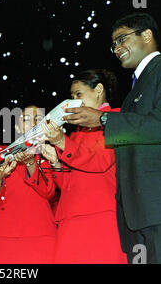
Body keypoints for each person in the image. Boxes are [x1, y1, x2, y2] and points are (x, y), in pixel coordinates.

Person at [63, 13, 161, 264]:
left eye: (122, 39)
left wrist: (103, 119)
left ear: (147, 35)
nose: (117, 48)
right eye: (113, 44)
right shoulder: (133, 94)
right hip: (138, 216)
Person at [42, 69, 127, 264]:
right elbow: (66, 184)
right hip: (70, 218)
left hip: (100, 216)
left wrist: (62, 143)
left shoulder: (116, 119)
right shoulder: (75, 134)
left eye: (78, 94)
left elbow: (99, 162)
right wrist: (55, 161)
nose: (73, 101)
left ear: (98, 89)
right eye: (72, 96)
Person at [0, 105, 57, 264]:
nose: (32, 123)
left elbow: (48, 192)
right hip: (3, 236)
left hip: (41, 234)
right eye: (26, 119)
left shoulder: (49, 153)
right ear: (17, 126)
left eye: (37, 119)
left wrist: (31, 163)